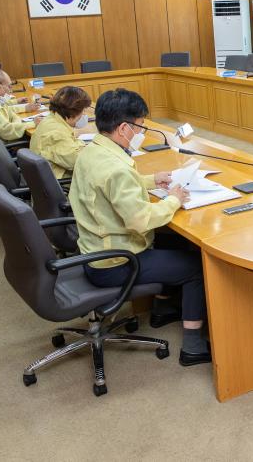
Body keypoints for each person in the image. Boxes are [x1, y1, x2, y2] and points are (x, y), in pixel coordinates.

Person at [68, 88, 210, 366]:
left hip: (92, 251)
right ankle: (193, 346)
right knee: (195, 266)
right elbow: (140, 219)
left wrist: (151, 180)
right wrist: (173, 200)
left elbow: (110, 186)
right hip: (116, 263)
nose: (142, 132)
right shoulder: (116, 168)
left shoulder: (93, 151)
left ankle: (162, 310)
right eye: (140, 126)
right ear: (124, 128)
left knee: (172, 240)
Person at [29, 86, 92, 179]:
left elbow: (70, 146)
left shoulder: (51, 119)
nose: (84, 115)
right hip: (61, 182)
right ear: (73, 112)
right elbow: (80, 162)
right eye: (83, 111)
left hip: (46, 178)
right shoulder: (58, 133)